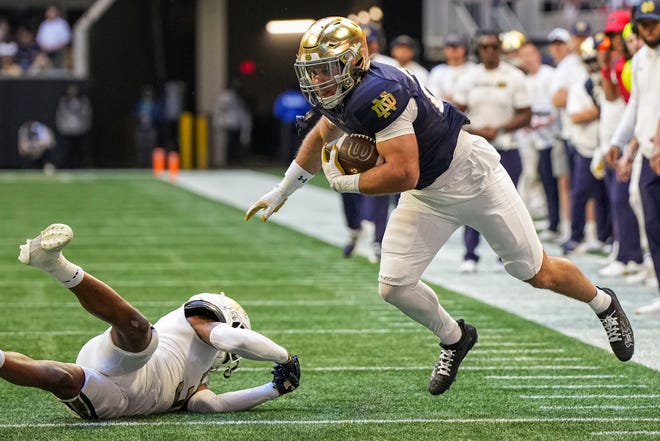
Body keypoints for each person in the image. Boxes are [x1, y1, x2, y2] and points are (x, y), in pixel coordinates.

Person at [245, 17, 635, 395]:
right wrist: (283, 190)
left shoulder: (379, 93)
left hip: (472, 177)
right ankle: (455, 337)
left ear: (352, 62)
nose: (318, 80)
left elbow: (404, 173)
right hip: (430, 194)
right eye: (312, 71)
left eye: (326, 69)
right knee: (394, 286)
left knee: (535, 272)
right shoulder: (347, 91)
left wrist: (347, 182)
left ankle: (603, 303)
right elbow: (319, 136)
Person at [0, 223, 301, 419]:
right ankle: (55, 264)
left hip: (122, 405)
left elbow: (213, 406)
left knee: (59, 379)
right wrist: (283, 356)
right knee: (141, 331)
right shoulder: (200, 323)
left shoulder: (200, 381)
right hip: (128, 363)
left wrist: (273, 389)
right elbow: (233, 340)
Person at [452, 30, 532, 273]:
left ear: (500, 49)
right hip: (474, 147)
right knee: (471, 200)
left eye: (494, 47)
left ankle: (505, 256)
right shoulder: (469, 77)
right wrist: (477, 130)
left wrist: (500, 129)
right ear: (479, 50)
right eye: (485, 47)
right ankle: (470, 254)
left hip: (506, 146)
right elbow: (456, 111)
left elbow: (526, 113)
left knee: (507, 202)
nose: (490, 51)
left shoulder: (514, 76)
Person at [607, 1, 660, 317]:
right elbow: (637, 107)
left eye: (654, 23)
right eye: (644, 24)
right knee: (653, 224)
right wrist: (619, 142)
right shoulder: (640, 59)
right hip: (648, 154)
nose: (649, 29)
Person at [517, 41, 562, 241]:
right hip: (532, 137)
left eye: (530, 53)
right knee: (537, 179)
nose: (527, 58)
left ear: (537, 54)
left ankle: (556, 222)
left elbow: (557, 106)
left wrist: (543, 122)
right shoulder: (524, 80)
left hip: (553, 136)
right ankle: (549, 218)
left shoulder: (549, 75)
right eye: (523, 55)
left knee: (552, 181)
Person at [427, 33, 476, 105]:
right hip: (442, 114)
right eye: (449, 47)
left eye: (457, 46)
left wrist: (452, 101)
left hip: (468, 115)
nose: (453, 50)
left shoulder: (474, 69)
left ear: (465, 49)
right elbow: (432, 99)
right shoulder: (437, 71)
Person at [55, 83, 92, 168]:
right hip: (67, 130)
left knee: (80, 151)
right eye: (70, 90)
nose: (72, 92)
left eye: (74, 90)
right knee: (67, 150)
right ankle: (65, 166)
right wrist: (62, 128)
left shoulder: (83, 101)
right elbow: (60, 115)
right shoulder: (63, 101)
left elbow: (87, 115)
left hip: (80, 130)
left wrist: (85, 128)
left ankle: (83, 166)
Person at [36, 4, 71, 69]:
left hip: (58, 52)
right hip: (46, 52)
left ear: (56, 12)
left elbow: (66, 38)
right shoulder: (44, 24)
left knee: (58, 69)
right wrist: (45, 46)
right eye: (49, 11)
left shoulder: (62, 23)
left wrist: (55, 47)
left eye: (52, 11)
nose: (50, 13)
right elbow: (39, 38)